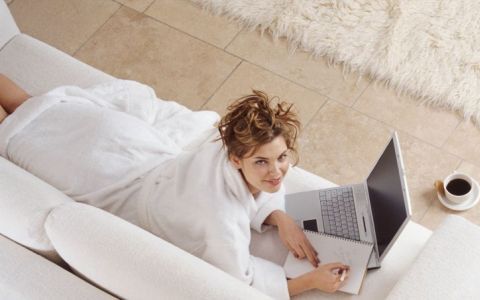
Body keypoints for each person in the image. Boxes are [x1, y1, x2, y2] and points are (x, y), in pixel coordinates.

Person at [0, 74, 348, 298]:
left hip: (129, 141)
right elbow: (238, 286)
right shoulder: (220, 219)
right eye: (262, 162)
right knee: (13, 129)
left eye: (283, 157)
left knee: (28, 104)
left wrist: (279, 217)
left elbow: (261, 188)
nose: (277, 173)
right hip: (101, 174)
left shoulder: (226, 142)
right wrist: (312, 282)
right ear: (236, 160)